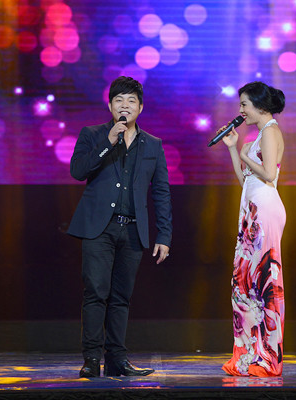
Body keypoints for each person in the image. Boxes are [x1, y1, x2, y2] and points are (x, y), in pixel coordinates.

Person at [67, 76, 172, 377]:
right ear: (110, 105)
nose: (124, 106)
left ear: (141, 107)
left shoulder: (153, 144)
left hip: (133, 230)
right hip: (98, 228)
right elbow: (78, 171)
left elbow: (161, 191)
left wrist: (164, 235)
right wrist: (108, 141)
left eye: (131, 101)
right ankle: (91, 359)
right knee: (96, 292)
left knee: (121, 297)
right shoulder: (93, 134)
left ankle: (117, 360)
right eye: (119, 100)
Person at [220, 82, 286, 377]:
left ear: (260, 105)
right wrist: (235, 150)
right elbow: (245, 180)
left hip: (265, 210)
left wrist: (246, 155)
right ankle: (249, 355)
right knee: (244, 284)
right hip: (251, 208)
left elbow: (269, 174)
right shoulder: (259, 135)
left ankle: (269, 357)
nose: (241, 110)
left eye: (244, 104)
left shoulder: (270, 131)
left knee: (264, 282)